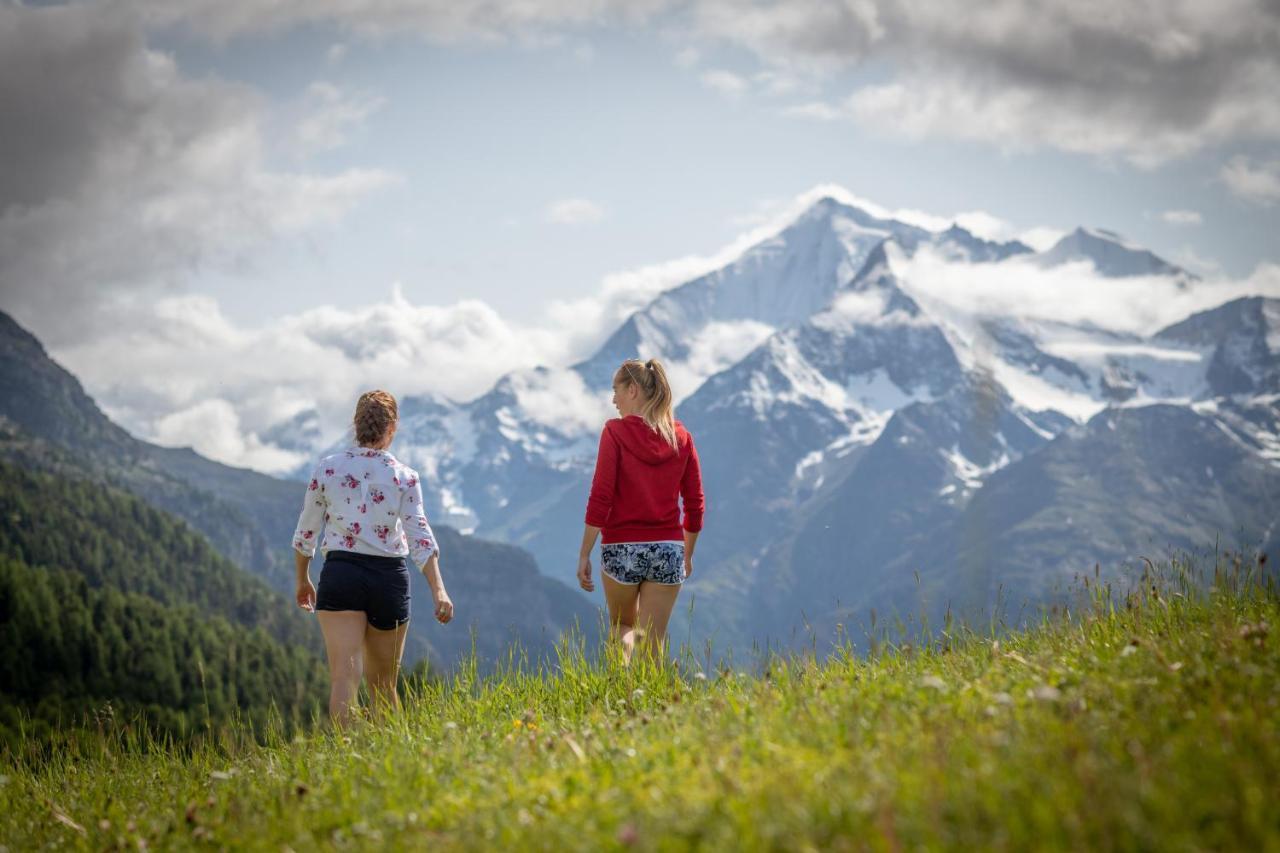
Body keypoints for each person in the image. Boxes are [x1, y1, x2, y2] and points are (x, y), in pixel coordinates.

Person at [292, 390, 454, 725]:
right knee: (384, 686)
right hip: (388, 578)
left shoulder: (328, 469)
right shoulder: (405, 476)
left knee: (343, 680)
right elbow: (419, 535)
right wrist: (439, 590)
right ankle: (390, 759)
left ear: (355, 424)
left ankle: (344, 758)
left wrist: (302, 579)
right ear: (392, 428)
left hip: (341, 574)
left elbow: (306, 531)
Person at [577, 358, 705, 664]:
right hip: (668, 548)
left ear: (632, 389)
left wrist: (585, 553)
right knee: (653, 639)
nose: (613, 399)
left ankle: (619, 689)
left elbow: (601, 497)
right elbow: (695, 502)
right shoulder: (681, 438)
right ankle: (652, 705)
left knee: (623, 625)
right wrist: (687, 553)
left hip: (621, 548)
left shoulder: (615, 433)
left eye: (616, 390)